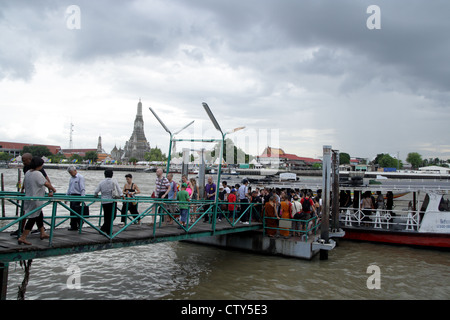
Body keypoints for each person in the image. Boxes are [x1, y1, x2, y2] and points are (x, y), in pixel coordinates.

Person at [18, 157, 57, 245]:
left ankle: (42, 233)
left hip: (29, 198)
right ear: (39, 165)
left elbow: (25, 183)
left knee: (39, 215)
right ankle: (23, 237)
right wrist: (53, 190)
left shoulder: (28, 172)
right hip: (36, 199)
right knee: (32, 218)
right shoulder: (37, 174)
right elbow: (46, 183)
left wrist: (22, 190)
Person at [94, 169, 123, 235]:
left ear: (104, 175)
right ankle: (104, 229)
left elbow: (96, 191)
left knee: (106, 217)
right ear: (112, 175)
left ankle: (107, 230)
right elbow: (119, 190)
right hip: (112, 201)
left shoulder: (101, 182)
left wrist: (96, 195)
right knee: (113, 216)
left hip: (104, 201)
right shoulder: (114, 181)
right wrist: (122, 195)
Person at [66, 166, 86, 231]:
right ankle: (73, 225)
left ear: (75, 171)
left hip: (78, 195)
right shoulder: (71, 178)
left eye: (71, 172)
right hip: (72, 195)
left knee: (76, 211)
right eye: (70, 173)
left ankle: (79, 222)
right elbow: (69, 188)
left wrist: (82, 198)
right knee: (72, 211)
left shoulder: (80, 177)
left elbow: (82, 188)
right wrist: (66, 197)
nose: (71, 174)